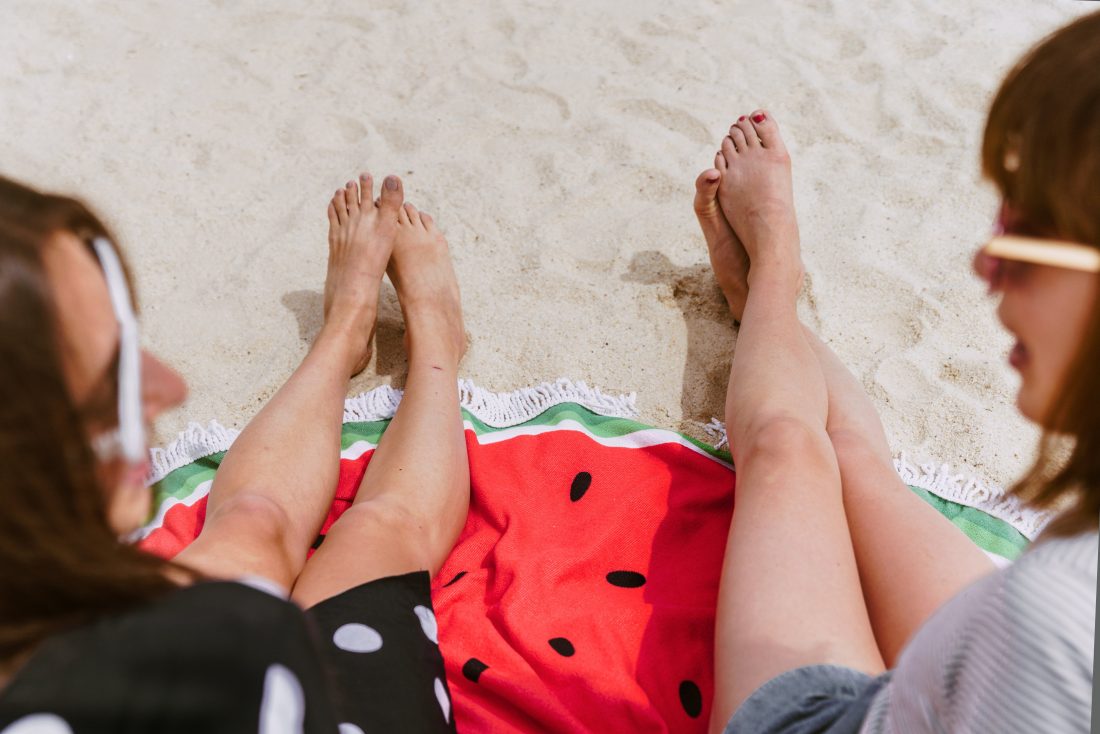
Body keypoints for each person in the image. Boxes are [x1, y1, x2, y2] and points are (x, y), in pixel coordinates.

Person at [696, 11, 1098, 734]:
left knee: (786, 447)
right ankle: (767, 298)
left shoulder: (1056, 617)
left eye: (1029, 234)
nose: (985, 265)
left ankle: (771, 286)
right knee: (855, 462)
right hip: (991, 667)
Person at [0, 172, 468, 732]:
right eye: (109, 376)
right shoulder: (240, 639)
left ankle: (346, 331)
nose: (169, 388)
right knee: (385, 531)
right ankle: (437, 339)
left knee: (250, 520)